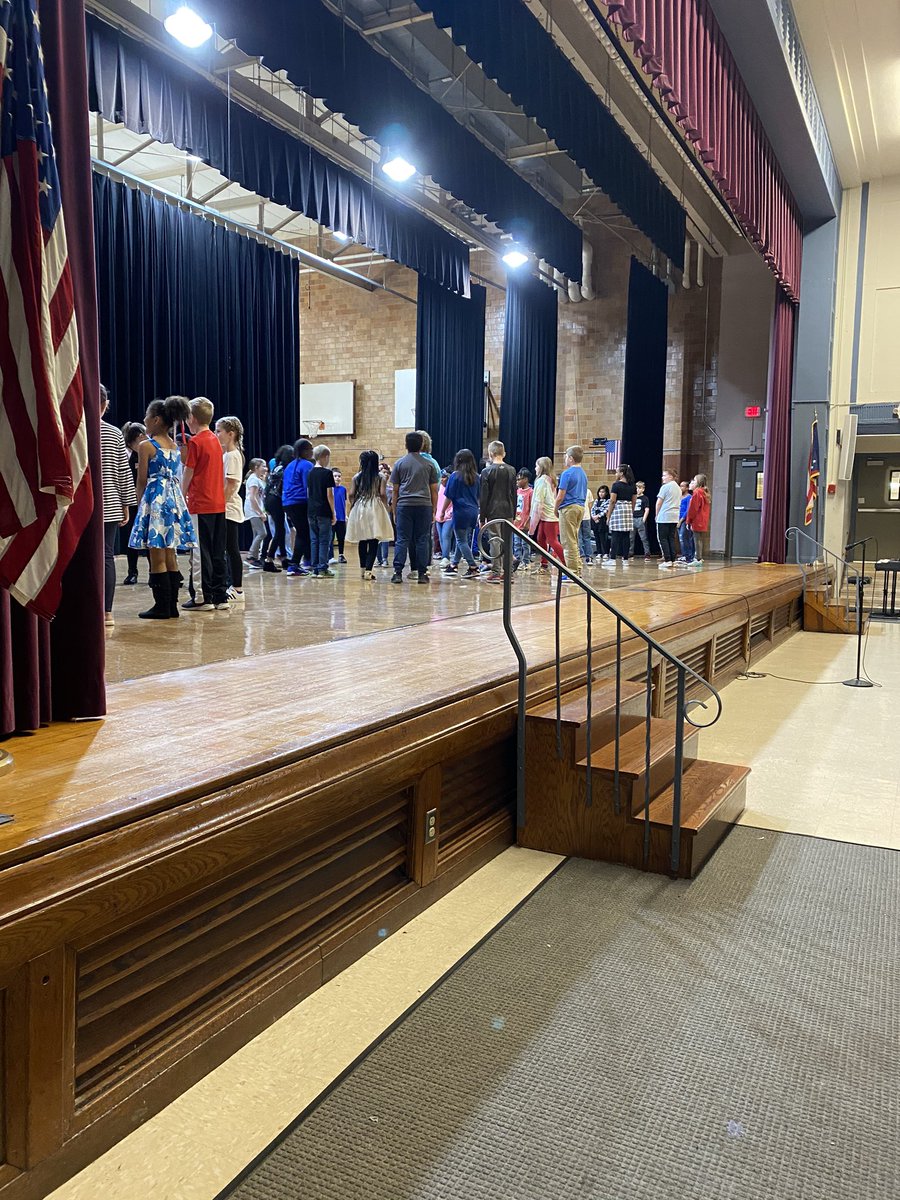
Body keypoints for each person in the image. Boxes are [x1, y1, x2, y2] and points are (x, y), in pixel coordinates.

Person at [129, 396, 197, 619]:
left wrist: (141, 505)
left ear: (156, 419)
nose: (145, 420)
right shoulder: (175, 446)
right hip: (174, 499)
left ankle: (161, 606)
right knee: (171, 553)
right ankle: (172, 605)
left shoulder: (146, 446)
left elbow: (141, 479)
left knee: (156, 552)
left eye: (147, 417)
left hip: (155, 498)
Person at [181, 396, 229, 611]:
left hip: (201, 504)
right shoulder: (215, 442)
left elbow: (188, 472)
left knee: (200, 552)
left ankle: (202, 597)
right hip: (218, 504)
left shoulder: (196, 442)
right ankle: (219, 595)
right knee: (218, 552)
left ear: (191, 418)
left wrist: (181, 495)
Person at [99, 386, 136, 626]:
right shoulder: (114, 434)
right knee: (106, 557)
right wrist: (126, 504)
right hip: (111, 504)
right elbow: (123, 472)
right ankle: (107, 613)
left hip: (81, 505)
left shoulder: (74, 429)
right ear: (105, 404)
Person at [390, 432, 439, 585]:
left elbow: (395, 491)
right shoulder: (429, 464)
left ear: (406, 445)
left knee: (402, 539)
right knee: (422, 539)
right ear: (421, 445)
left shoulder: (399, 464)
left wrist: (394, 510)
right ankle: (422, 574)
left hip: (404, 505)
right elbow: (433, 491)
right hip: (424, 505)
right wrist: (434, 510)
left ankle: (398, 573)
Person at [347, 450, 394, 579]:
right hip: (375, 507)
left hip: (360, 506)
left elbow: (351, 494)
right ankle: (369, 570)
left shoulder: (356, 477)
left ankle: (362, 569)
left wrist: (353, 504)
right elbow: (383, 494)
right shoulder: (380, 477)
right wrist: (386, 507)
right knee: (374, 540)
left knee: (362, 539)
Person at [216, 416, 245, 601]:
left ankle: (238, 588)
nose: (216, 434)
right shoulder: (227, 454)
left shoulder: (233, 456)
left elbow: (231, 484)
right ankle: (230, 584)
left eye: (219, 431)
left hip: (229, 509)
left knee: (232, 549)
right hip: (226, 507)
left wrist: (220, 505)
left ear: (231, 434)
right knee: (227, 549)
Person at [479, 440, 517, 583]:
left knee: (495, 540)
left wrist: (482, 517)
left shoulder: (486, 471)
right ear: (503, 453)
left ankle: (495, 572)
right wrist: (513, 514)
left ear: (491, 453)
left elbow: (484, 496)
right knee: (508, 541)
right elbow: (514, 493)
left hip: (493, 510)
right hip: (508, 509)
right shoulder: (512, 470)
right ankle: (508, 573)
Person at [441, 449, 480, 578]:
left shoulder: (455, 476)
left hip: (461, 511)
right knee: (463, 539)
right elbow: (479, 496)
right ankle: (454, 565)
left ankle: (473, 567)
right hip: (473, 511)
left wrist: (442, 511)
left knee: (461, 540)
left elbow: (448, 496)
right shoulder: (477, 476)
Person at [283, 439, 315, 577]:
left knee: (303, 532)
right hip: (300, 501)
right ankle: (294, 565)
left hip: (288, 502)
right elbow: (307, 487)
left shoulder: (290, 465)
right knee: (303, 533)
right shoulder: (307, 465)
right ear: (304, 451)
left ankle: (306, 561)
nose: (312, 452)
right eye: (310, 449)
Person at [121, 422, 148, 586]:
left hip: (148, 500)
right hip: (132, 502)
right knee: (131, 538)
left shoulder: (148, 452)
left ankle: (154, 572)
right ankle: (132, 572)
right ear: (139, 437)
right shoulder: (125, 454)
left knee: (151, 538)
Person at [555, 445, 588, 579]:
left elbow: (560, 495)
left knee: (568, 541)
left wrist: (555, 508)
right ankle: (577, 568)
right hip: (580, 506)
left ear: (571, 458)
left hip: (569, 508)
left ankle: (572, 572)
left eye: (566, 456)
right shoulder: (583, 474)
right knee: (574, 539)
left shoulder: (567, 473)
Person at [529, 457, 565, 568]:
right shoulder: (551, 479)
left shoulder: (542, 481)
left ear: (542, 467)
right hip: (546, 516)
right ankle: (544, 564)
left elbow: (539, 503)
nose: (535, 468)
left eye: (537, 466)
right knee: (540, 538)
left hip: (548, 516)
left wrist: (532, 523)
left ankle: (567, 564)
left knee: (552, 541)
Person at [307, 445, 337, 578]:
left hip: (311, 510)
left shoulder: (310, 472)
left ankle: (315, 568)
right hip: (323, 510)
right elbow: (329, 494)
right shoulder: (327, 473)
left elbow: (309, 492)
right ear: (325, 457)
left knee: (314, 540)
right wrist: (333, 512)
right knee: (324, 540)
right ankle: (323, 568)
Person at [260, 445, 292, 571]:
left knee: (281, 530)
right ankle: (269, 559)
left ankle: (284, 558)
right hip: (276, 500)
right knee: (280, 531)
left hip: (270, 499)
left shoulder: (276, 467)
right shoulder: (285, 469)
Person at [602, 463, 636, 570]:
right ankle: (625, 559)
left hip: (618, 508)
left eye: (617, 472)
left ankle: (612, 559)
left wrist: (608, 515)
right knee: (626, 535)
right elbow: (634, 500)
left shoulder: (616, 485)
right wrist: (631, 511)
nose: (616, 474)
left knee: (615, 535)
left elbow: (612, 501)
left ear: (621, 473)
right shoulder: (632, 486)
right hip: (628, 509)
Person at [244, 459, 269, 567]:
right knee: (262, 533)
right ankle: (250, 557)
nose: (266, 468)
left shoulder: (257, 479)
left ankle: (255, 559)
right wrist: (260, 513)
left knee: (257, 534)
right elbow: (252, 498)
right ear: (256, 468)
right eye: (263, 466)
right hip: (252, 510)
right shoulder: (253, 479)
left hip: (256, 509)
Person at [655, 468, 682, 569]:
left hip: (665, 515)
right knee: (671, 538)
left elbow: (659, 503)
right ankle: (673, 559)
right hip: (674, 516)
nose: (663, 478)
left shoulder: (665, 487)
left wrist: (657, 515)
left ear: (671, 476)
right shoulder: (678, 488)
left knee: (663, 538)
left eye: (664, 475)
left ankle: (667, 559)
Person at [686, 473, 711, 566]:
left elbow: (693, 508)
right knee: (699, 539)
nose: (693, 482)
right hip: (703, 520)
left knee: (697, 539)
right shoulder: (705, 492)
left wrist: (689, 520)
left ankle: (697, 558)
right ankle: (699, 557)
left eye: (695, 481)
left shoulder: (697, 492)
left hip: (697, 519)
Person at [435, 469, 455, 568]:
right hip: (438, 515)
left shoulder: (452, 488)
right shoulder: (439, 487)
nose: (442, 479)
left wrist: (449, 512)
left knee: (446, 536)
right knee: (441, 537)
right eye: (441, 477)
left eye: (444, 477)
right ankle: (444, 556)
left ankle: (446, 557)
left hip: (449, 516)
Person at [514, 469, 534, 569]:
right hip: (516, 522)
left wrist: (528, 521)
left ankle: (526, 562)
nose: (517, 481)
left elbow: (531, 508)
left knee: (525, 543)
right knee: (516, 543)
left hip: (525, 521)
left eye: (519, 479)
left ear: (526, 479)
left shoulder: (530, 492)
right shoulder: (517, 491)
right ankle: (518, 561)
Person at [376, 460, 393, 567]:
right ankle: (378, 559)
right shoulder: (375, 488)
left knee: (385, 537)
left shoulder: (390, 489)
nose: (385, 474)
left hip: (386, 514)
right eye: (383, 472)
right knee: (376, 537)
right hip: (376, 513)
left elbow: (391, 503)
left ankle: (384, 558)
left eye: (387, 472)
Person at [330, 469, 348, 564]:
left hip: (341, 517)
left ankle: (341, 555)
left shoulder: (343, 489)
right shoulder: (329, 489)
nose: (337, 478)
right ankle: (330, 556)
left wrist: (345, 515)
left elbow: (344, 503)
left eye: (339, 476)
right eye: (335, 476)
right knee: (331, 537)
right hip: (332, 517)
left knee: (341, 537)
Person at [630, 480, 652, 558]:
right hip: (633, 518)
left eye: (639, 488)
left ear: (643, 489)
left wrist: (644, 519)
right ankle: (630, 552)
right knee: (631, 538)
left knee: (643, 538)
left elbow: (647, 509)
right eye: (636, 488)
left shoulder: (644, 498)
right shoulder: (633, 498)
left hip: (640, 518)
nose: (637, 490)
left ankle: (647, 553)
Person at [676, 480, 694, 565]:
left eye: (683, 486)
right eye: (680, 486)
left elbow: (688, 510)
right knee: (681, 539)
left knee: (684, 538)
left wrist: (681, 520)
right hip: (677, 519)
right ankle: (684, 554)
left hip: (684, 520)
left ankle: (688, 556)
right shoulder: (679, 497)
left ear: (687, 488)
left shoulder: (689, 497)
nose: (681, 488)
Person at [591, 485, 610, 561]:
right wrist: (593, 516)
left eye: (603, 492)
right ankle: (599, 552)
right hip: (595, 521)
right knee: (597, 537)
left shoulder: (608, 501)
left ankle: (605, 552)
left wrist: (598, 516)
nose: (601, 494)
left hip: (602, 521)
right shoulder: (596, 501)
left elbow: (605, 510)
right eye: (600, 492)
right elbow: (593, 509)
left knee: (603, 538)